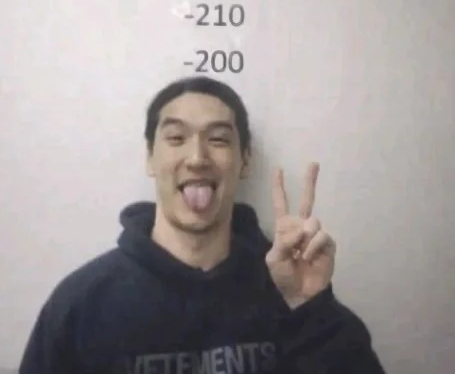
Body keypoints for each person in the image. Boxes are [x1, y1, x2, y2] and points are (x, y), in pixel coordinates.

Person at [19, 75, 386, 373]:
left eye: (218, 139)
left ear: (244, 160)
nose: (197, 157)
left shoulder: (286, 286)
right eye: (176, 138)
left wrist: (309, 306)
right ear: (150, 157)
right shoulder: (82, 304)